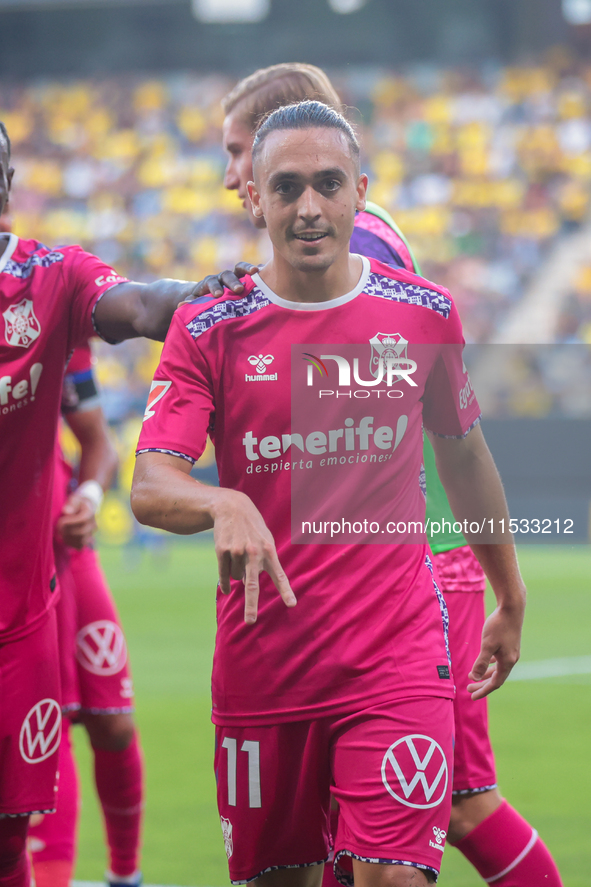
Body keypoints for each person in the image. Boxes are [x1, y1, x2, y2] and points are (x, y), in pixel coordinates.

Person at [132, 101, 526, 887]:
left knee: (392, 877)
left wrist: (507, 592)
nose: (308, 207)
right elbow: (150, 482)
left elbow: (465, 456)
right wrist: (222, 502)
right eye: (285, 187)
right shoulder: (209, 326)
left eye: (327, 185)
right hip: (264, 673)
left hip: (396, 659)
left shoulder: (421, 316)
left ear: (359, 192)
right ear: (254, 200)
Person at [0, 119, 199, 887]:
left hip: (42, 572)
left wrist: (206, 297)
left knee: (99, 729)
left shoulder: (49, 294)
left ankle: (122, 876)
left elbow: (141, 309)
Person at [28, 343, 143, 887]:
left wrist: (91, 496)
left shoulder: (48, 321)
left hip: (67, 555)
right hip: (15, 570)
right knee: (43, 732)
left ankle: (126, 875)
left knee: (114, 723)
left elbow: (97, 442)